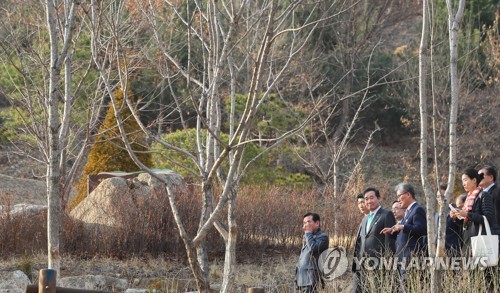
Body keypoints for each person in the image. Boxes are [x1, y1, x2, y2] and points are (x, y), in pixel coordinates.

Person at [352, 188, 396, 293]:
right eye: (366, 199)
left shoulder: (386, 214)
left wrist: (388, 261)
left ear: (378, 198)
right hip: (362, 265)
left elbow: (390, 241)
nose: (369, 201)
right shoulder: (365, 219)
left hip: (378, 264)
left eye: (372, 198)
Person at [381, 183, 427, 281]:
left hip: (411, 259)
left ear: (408, 195)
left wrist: (403, 226)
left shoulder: (417, 209)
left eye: (399, 196)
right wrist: (392, 230)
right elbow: (405, 231)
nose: (398, 199)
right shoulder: (408, 212)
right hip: (402, 259)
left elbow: (422, 229)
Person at [451, 168, 500, 254]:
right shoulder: (468, 198)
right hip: (468, 240)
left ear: (474, 180)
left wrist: (467, 214)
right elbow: (466, 223)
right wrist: (457, 217)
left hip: (480, 240)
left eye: (465, 180)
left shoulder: (484, 195)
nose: (463, 184)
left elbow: (488, 218)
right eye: (462, 181)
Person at [295, 212, 329, 293]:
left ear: (317, 223)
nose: (306, 225)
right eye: (304, 223)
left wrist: (308, 233)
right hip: (302, 280)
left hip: (311, 280)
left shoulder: (323, 237)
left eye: (309, 222)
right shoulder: (308, 237)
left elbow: (313, 249)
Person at [435, 184, 462, 256]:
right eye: (438, 197)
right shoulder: (437, 214)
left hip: (453, 251)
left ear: (450, 197)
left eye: (442, 196)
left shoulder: (455, 210)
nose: (440, 199)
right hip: (439, 252)